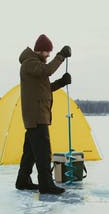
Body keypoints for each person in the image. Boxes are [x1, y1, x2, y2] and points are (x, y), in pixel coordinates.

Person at [15, 34, 72, 195]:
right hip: (36, 116)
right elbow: (48, 71)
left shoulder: (35, 66)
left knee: (31, 152)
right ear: (39, 50)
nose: (48, 55)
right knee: (43, 153)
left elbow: (45, 89)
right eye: (47, 52)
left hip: (37, 115)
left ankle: (22, 181)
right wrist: (60, 56)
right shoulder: (30, 64)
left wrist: (62, 82)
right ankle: (46, 185)